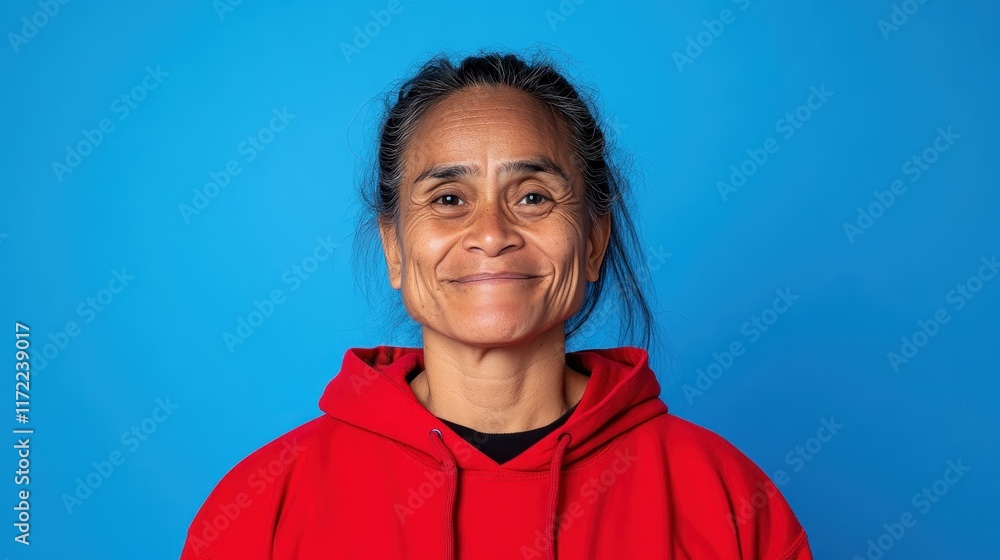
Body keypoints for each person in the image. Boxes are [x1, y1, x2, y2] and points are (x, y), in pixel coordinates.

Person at [180, 50, 813, 560]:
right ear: (394, 249)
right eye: (449, 199)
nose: (491, 233)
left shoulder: (727, 500)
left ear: (594, 241)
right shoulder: (263, 508)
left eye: (533, 196)